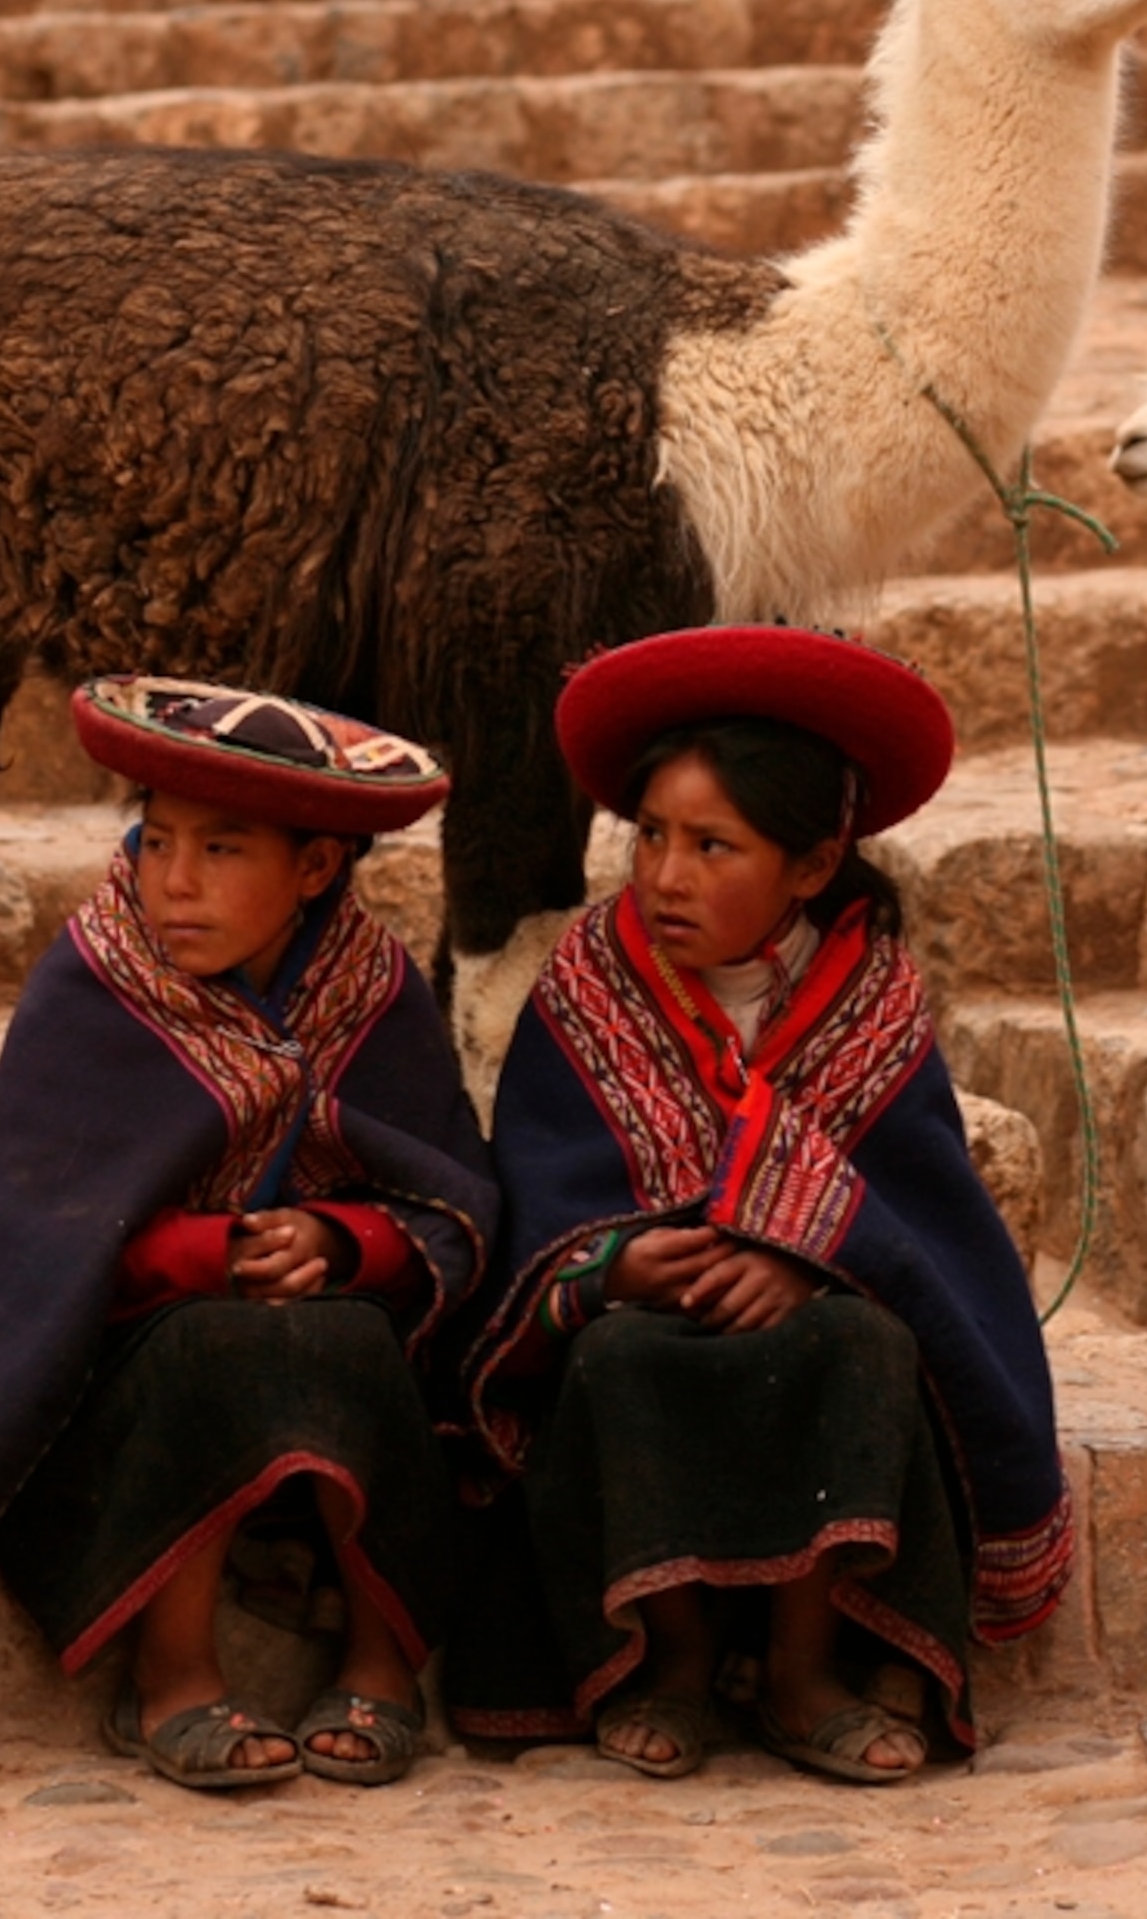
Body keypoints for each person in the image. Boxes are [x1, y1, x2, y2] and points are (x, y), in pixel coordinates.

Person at [0, 675, 499, 1792]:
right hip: (129, 1387)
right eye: (158, 841)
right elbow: (30, 1237)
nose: (175, 883)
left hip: (337, 1380)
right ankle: (173, 1676)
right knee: (211, 1340)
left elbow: (453, 1198)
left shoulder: (373, 988)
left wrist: (345, 1245)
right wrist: (207, 1256)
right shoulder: (98, 978)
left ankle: (382, 1661)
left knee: (350, 1335)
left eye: (224, 850)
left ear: (317, 867)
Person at [456, 625, 1070, 1785]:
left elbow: (921, 1214)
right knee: (624, 1360)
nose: (665, 874)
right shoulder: (588, 981)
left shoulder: (872, 1001)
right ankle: (671, 1658)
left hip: (815, 1310)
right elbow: (542, 1182)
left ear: (811, 862)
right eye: (649, 835)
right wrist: (614, 1269)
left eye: (711, 845)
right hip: (640, 1310)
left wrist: (812, 1259)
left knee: (859, 1343)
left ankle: (804, 1666)